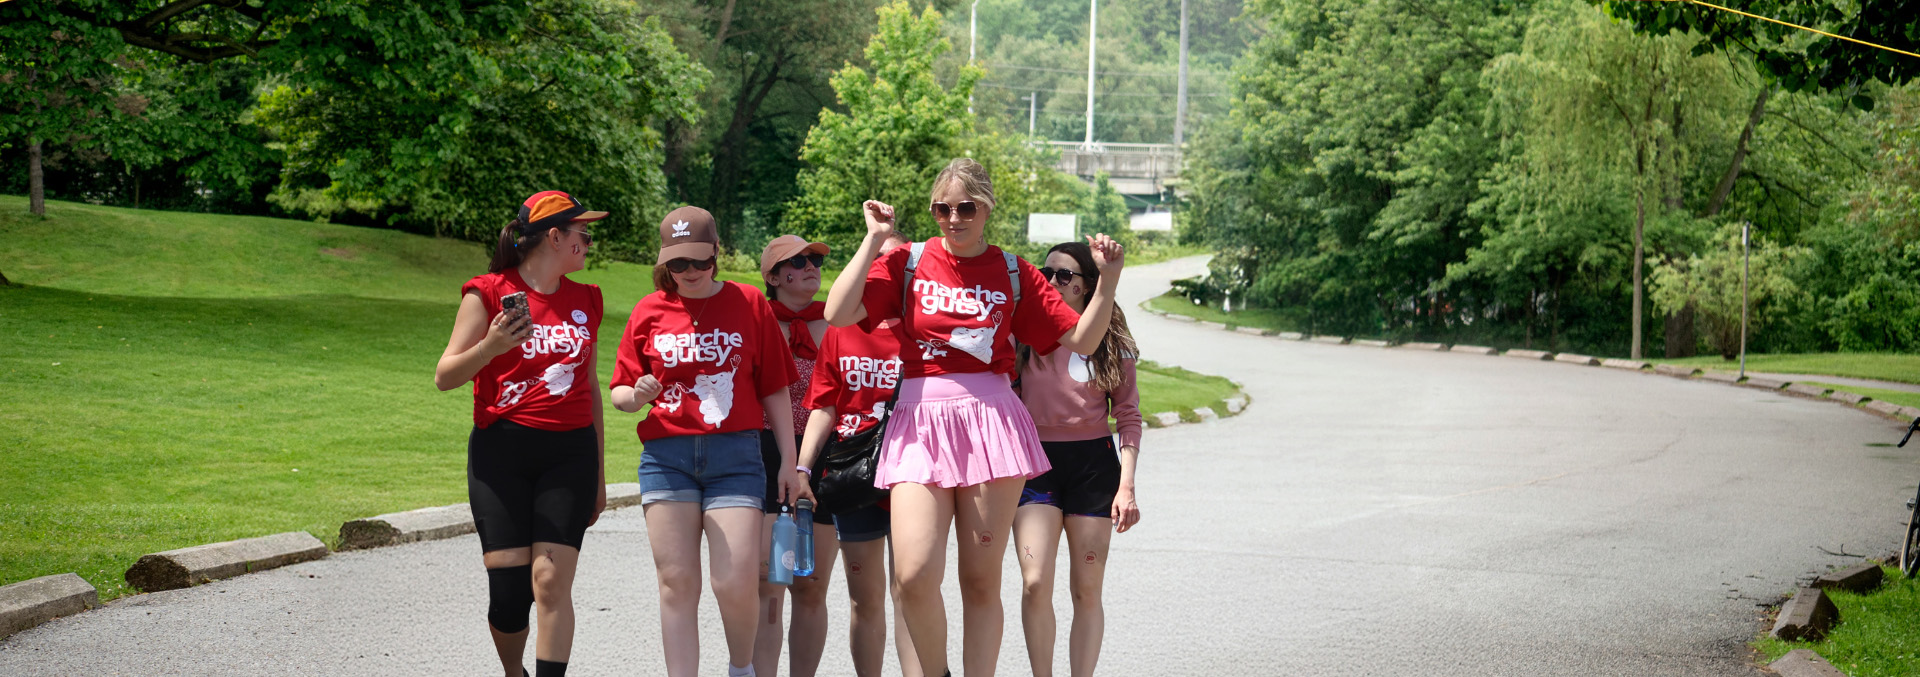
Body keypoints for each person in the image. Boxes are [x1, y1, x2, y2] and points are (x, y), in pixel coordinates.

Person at [822, 157, 1127, 677]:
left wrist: (1108, 281)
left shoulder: (1014, 271)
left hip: (991, 421)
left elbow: (1082, 339)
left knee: (980, 580)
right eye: (942, 208)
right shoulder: (909, 262)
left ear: (986, 207)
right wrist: (874, 240)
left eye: (965, 207)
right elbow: (837, 312)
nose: (953, 218)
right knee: (913, 573)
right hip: (919, 418)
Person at [610, 206, 803, 677]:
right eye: (679, 264)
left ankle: (742, 668)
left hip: (736, 454)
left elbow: (775, 387)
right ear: (664, 263)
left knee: (734, 580)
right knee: (676, 582)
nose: (691, 273)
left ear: (716, 253)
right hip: (666, 456)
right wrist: (636, 395)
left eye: (700, 261)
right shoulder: (648, 310)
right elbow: (619, 393)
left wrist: (789, 463)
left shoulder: (749, 303)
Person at [433, 190, 608, 677]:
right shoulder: (487, 292)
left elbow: (589, 386)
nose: (588, 242)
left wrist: (598, 472)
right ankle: (514, 672)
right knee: (509, 597)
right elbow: (445, 376)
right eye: (582, 233)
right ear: (554, 237)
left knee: (550, 583)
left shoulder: (586, 299)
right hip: (501, 453)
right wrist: (490, 347)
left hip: (569, 454)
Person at [1012, 240, 1145, 677]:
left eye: (1064, 276)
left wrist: (1126, 486)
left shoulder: (1112, 340)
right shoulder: (1023, 331)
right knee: (1034, 583)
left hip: (1093, 466)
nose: (1051, 281)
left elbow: (1127, 416)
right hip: (1036, 466)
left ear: (1087, 286)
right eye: (1046, 272)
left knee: (1086, 591)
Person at [794, 231, 923, 677]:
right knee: (864, 598)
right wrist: (802, 468)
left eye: (897, 262)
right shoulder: (842, 329)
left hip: (914, 474)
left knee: (912, 592)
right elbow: (824, 405)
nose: (885, 270)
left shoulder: (926, 330)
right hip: (854, 473)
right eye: (877, 263)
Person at [750, 233, 839, 677]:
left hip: (824, 457)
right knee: (769, 583)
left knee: (812, 585)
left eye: (815, 260)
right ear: (773, 277)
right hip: (764, 456)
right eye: (797, 261)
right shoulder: (755, 320)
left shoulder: (839, 323)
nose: (810, 267)